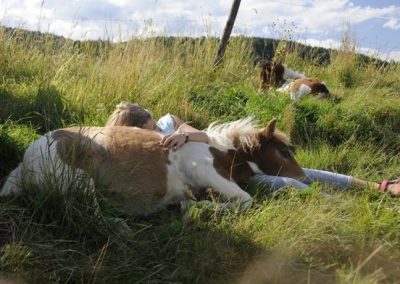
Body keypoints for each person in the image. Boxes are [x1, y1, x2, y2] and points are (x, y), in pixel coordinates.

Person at [105, 101, 400, 195]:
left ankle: (378, 186)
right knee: (281, 182)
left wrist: (184, 137)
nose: (155, 131)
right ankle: (328, 201)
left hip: (225, 162)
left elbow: (203, 136)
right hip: (227, 177)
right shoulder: (144, 148)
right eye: (147, 130)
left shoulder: (171, 123)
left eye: (154, 124)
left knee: (304, 171)